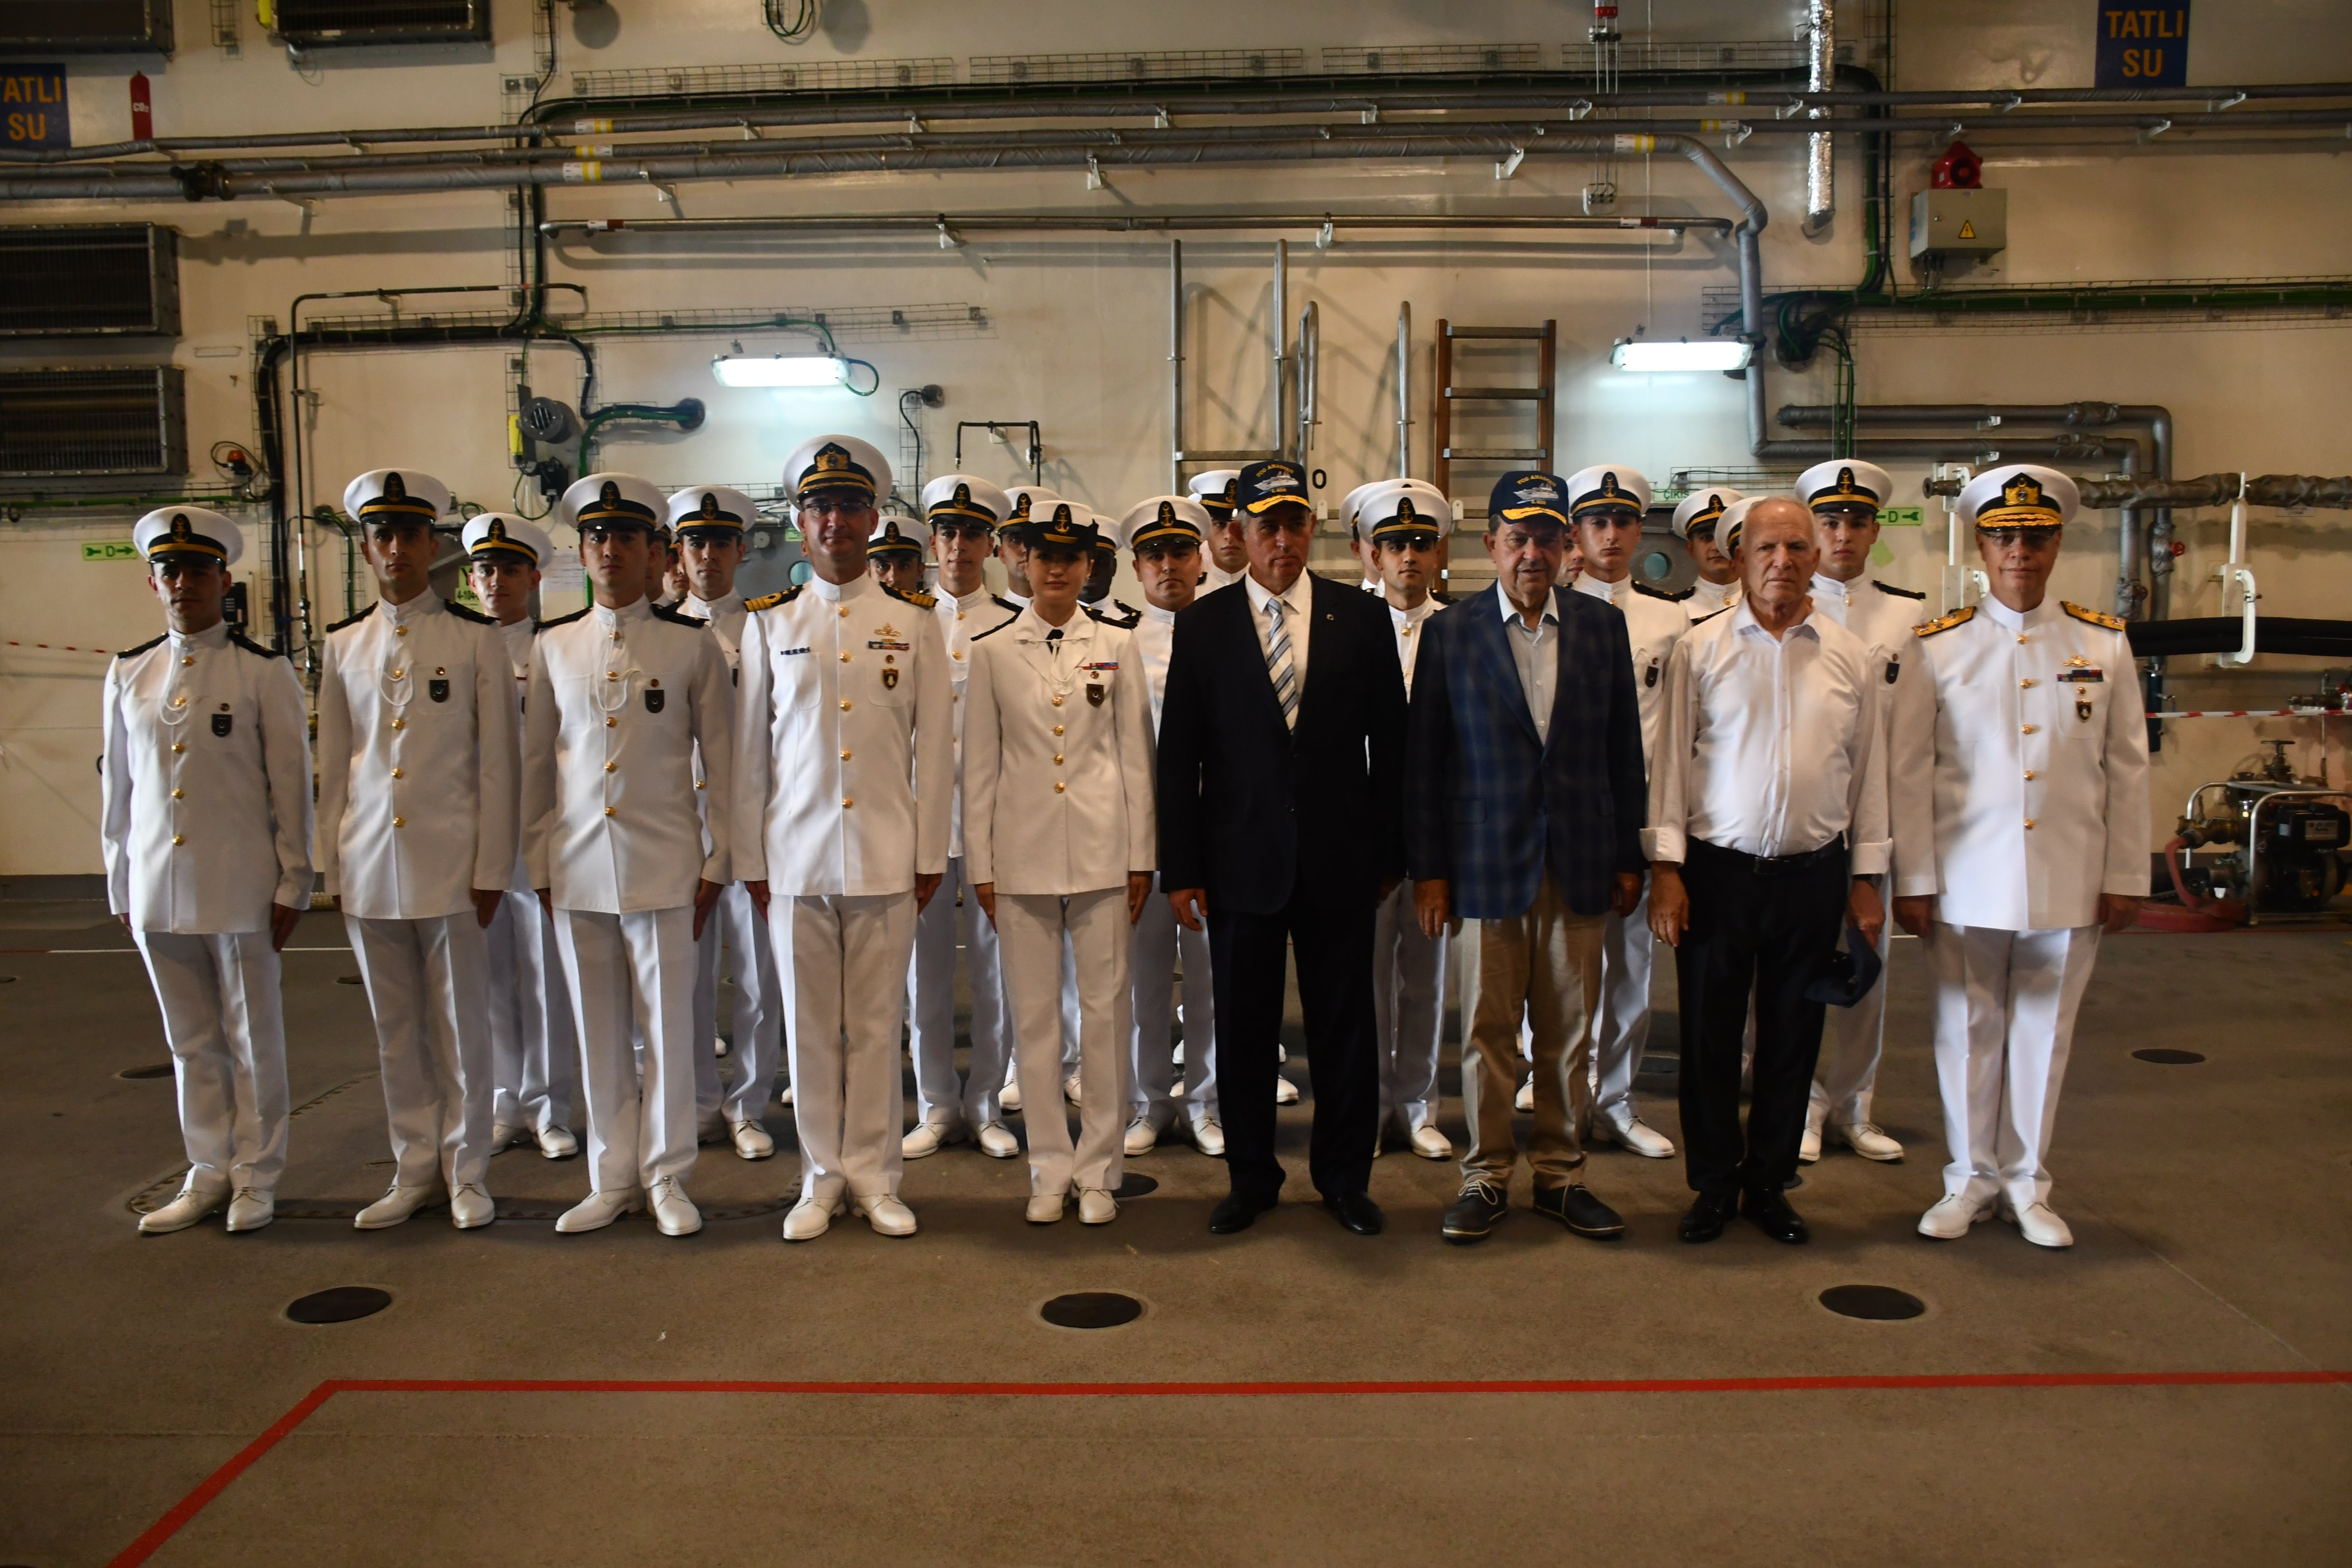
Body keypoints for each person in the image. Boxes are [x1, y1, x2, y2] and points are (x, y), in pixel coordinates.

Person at [1894, 464, 2149, 1250]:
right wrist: (1913, 878)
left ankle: (2027, 1183)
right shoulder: (1939, 646)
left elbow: (2128, 766)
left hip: (2071, 873)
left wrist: (2126, 874)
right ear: (1980, 546)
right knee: (1966, 1029)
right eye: (2003, 537)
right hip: (1967, 875)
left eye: (2034, 538)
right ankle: (1969, 1178)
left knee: (2045, 1033)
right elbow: (1909, 771)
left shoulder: (2101, 641)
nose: (2019, 552)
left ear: (2056, 544)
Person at [1157, 458, 1406, 1237]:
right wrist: (1182, 867)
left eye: (1295, 523)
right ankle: (1251, 1178)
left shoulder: (1359, 618)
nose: (1282, 540)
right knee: (1243, 1028)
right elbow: (1180, 757)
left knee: (1345, 1029)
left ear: (1311, 528)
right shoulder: (1203, 625)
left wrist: (1390, 853)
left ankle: (1344, 1178)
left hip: (1341, 861)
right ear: (1239, 532)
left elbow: (1391, 747)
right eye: (1266, 526)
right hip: (1240, 863)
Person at [1406, 472, 1647, 1244]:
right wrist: (1430, 870)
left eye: (1547, 538)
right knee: (1487, 1031)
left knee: (1570, 1030)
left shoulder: (1601, 627)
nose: (1532, 554)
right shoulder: (1452, 631)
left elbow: (1623, 751)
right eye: (1518, 539)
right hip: (1483, 861)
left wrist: (1629, 854)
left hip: (1579, 858)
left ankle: (1561, 1175)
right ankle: (1485, 1174)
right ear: (1491, 545)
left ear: (1566, 544)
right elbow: (1425, 761)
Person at [1646, 497, 1891, 1246]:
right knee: (1710, 1037)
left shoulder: (1850, 655)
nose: (1781, 561)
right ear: (1739, 559)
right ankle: (1714, 1184)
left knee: (1793, 1036)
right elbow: (1670, 763)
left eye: (1795, 546)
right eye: (1765, 548)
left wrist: (1865, 877)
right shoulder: (1700, 648)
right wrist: (1667, 868)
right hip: (1717, 874)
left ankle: (1770, 1183)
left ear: (1816, 557)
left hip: (1812, 876)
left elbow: (1868, 773)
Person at [735, 435, 954, 1242]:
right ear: (801, 523)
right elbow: (750, 756)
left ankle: (874, 1175)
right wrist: (751, 860)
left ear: (873, 520)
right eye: (820, 507)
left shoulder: (913, 622)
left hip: (885, 854)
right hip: (794, 858)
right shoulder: (770, 623)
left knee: (875, 1026)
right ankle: (820, 1178)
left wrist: (928, 854)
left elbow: (935, 752)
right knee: (809, 1029)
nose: (836, 521)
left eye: (851, 507)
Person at [528, 473, 734, 1238]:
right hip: (578, 866)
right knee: (600, 1031)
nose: (609, 549)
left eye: (625, 537)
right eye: (596, 537)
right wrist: (539, 861)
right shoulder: (554, 645)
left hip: (666, 865)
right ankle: (610, 1176)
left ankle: (667, 1173)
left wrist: (718, 859)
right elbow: (537, 767)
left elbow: (723, 762)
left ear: (654, 552)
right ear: (582, 552)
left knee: (671, 1030)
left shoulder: (690, 644)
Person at [318, 469, 517, 1232]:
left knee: (462, 1026)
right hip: (370, 862)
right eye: (382, 535)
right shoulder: (344, 645)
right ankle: (413, 1167)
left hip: (452, 863)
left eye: (409, 534)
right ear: (367, 548)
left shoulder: (473, 639)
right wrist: (332, 864)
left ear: (433, 546)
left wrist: (492, 865)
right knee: (395, 1032)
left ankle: (466, 1172)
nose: (396, 548)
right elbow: (336, 765)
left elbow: (497, 765)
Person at [105, 508, 312, 1235]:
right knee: (190, 1043)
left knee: (254, 1039)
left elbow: (290, 785)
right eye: (170, 571)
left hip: (240, 886)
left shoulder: (261, 670)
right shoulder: (130, 671)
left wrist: (295, 878)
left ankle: (257, 1175)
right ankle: (208, 1169)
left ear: (225, 581)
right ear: (153, 582)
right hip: (157, 886)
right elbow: (119, 791)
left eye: (198, 570)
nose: (183, 583)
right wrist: (120, 880)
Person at [964, 501, 1156, 1224]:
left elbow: (1136, 758)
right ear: (1022, 560)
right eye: (1043, 555)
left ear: (1088, 565)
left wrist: (1141, 858)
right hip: (1021, 854)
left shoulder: (1117, 643)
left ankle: (1099, 1168)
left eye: (1070, 557)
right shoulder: (990, 650)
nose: (1055, 569)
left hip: (1104, 851)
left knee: (1105, 1016)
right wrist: (982, 867)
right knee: (1036, 1019)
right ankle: (1048, 1167)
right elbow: (979, 770)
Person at [1795, 461, 1926, 1166]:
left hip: (1878, 818)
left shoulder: (1910, 617)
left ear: (1876, 531)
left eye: (1856, 521)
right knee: (1788, 972)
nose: (1842, 534)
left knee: (1869, 967)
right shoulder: (1783, 606)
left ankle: (1853, 1104)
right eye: (1829, 521)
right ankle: (1798, 1102)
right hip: (1802, 816)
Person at [1561, 464, 1689, 1155]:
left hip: (1637, 810)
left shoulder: (1671, 619)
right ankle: (1560, 1093)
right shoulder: (1549, 606)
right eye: (1596, 522)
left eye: (1622, 522)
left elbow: (1678, 734)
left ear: (1640, 531)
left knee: (1632, 969)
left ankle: (1616, 1099)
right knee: (1561, 969)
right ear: (1575, 532)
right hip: (1570, 813)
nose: (1610, 535)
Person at [904, 474, 1022, 1161]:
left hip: (992, 825)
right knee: (924, 977)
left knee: (993, 973)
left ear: (992, 544)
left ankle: (985, 1105)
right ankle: (935, 1105)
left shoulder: (1011, 620)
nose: (959, 546)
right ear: (931, 542)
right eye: (948, 532)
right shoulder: (905, 620)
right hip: (918, 824)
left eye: (973, 533)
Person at [670, 486, 783, 1161]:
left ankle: (748, 1105)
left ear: (741, 550)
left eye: (719, 542)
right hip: (680, 824)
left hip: (754, 822)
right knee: (684, 975)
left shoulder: (767, 627)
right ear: (678, 553)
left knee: (760, 978)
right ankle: (697, 1102)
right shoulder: (660, 629)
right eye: (695, 542)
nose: (707, 555)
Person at [463, 513, 581, 1161]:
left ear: (534, 579)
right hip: (475, 835)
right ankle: (502, 1099)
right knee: (486, 978)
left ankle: (549, 1106)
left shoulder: (552, 649)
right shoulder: (456, 649)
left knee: (545, 977)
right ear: (470, 581)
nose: (496, 582)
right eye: (484, 570)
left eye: (510, 570)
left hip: (539, 831)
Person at [1115, 495, 1224, 1157]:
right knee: (1143, 982)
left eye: (1180, 551)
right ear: (1136, 567)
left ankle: (1207, 1102)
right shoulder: (1117, 641)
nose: (1168, 565)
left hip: (1215, 837)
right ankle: (1149, 1102)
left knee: (1212, 982)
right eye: (1153, 554)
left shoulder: (1230, 633)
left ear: (1200, 559)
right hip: (1139, 836)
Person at [1356, 478, 1456, 1163]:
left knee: (1426, 979)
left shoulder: (1462, 629)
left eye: (1421, 543)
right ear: (1372, 553)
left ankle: (1419, 1105)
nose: (1409, 557)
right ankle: (1370, 1105)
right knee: (1363, 983)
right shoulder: (1344, 626)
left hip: (1436, 835)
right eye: (1394, 544)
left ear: (1439, 552)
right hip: (1364, 834)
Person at [1674, 487, 1744, 618]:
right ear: (1691, 549)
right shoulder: (1678, 611)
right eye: (1706, 538)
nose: (1716, 547)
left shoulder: (1762, 604)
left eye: (1723, 538)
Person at [1188, 469, 1248, 591]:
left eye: (1239, 525)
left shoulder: (1274, 588)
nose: (1229, 536)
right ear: (1205, 531)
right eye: (1219, 524)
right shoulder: (1189, 594)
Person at [869, 510, 933, 599]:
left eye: (905, 566)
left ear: (919, 571)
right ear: (868, 572)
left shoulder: (935, 608)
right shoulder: (855, 608)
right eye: (882, 567)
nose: (893, 579)